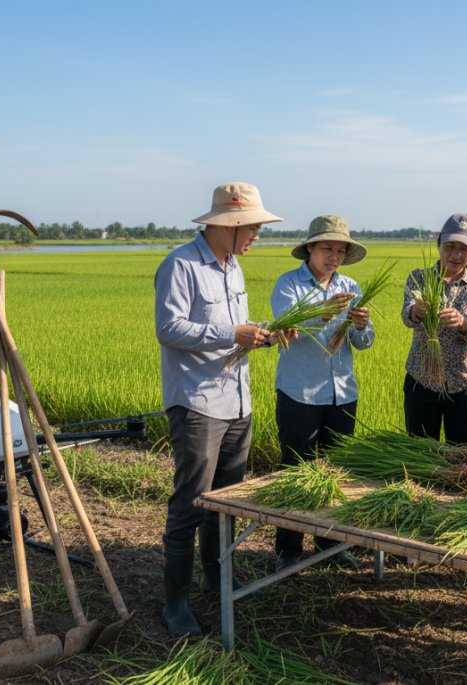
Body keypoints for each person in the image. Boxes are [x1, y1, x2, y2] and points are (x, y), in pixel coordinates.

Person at [153, 181, 280, 637]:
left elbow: (237, 328)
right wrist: (233, 336)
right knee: (190, 504)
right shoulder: (181, 265)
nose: (257, 237)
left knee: (224, 503)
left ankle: (216, 576)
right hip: (198, 405)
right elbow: (168, 328)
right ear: (230, 225)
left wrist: (264, 334)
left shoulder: (234, 269)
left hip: (237, 400)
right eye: (254, 229)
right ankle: (176, 605)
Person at [271, 215, 374, 572]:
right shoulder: (289, 285)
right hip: (299, 392)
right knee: (296, 470)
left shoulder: (351, 285)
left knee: (335, 470)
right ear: (311, 248)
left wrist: (360, 325)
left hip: (342, 392)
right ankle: (287, 548)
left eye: (340, 250)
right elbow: (287, 326)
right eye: (327, 248)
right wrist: (325, 311)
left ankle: (330, 543)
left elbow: (364, 343)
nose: (334, 256)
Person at [402, 213, 467, 445]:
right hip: (421, 378)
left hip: (464, 383)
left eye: (464, 249)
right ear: (439, 244)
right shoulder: (419, 278)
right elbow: (407, 316)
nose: (456, 255)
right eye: (450, 246)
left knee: (461, 457)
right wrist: (417, 311)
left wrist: (463, 323)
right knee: (420, 453)